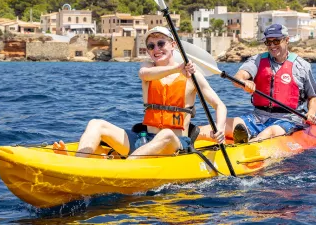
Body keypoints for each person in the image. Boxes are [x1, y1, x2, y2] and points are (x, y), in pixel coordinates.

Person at [53, 26, 227, 159]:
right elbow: (145, 75)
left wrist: (219, 128)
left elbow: (219, 105)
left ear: (173, 45)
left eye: (161, 43)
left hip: (174, 143)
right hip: (143, 140)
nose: (156, 49)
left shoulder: (192, 76)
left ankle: (126, 167)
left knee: (165, 134)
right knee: (96, 123)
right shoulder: (147, 68)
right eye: (151, 46)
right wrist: (178, 68)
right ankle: (77, 163)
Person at [200, 23, 316, 144]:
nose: (272, 45)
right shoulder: (257, 60)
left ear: (287, 40)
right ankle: (188, 138)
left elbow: (312, 98)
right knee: (221, 125)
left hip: (288, 119)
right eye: (268, 42)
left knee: (269, 132)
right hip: (258, 117)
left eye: (276, 41)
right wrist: (244, 82)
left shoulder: (302, 66)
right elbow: (238, 77)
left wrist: (311, 113)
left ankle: (249, 145)